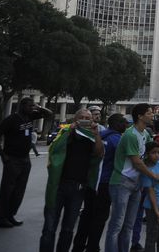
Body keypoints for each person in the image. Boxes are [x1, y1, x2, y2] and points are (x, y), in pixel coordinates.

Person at [40, 108, 104, 252]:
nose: (84, 119)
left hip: (78, 189)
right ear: (75, 119)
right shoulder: (66, 132)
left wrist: (96, 134)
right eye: (81, 117)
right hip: (59, 186)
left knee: (68, 229)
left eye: (87, 118)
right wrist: (70, 131)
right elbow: (55, 149)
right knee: (49, 228)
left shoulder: (92, 135)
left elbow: (99, 153)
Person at [105, 103, 159, 252]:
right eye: (150, 113)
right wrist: (154, 176)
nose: (153, 115)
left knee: (129, 225)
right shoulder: (130, 135)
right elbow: (137, 162)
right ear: (140, 116)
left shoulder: (145, 134)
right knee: (117, 225)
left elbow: (152, 152)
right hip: (122, 182)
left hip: (136, 184)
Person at [72, 113, 127, 252]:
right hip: (105, 183)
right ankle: (93, 247)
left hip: (92, 181)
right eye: (123, 122)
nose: (126, 124)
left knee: (87, 215)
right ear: (116, 124)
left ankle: (78, 246)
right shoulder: (117, 139)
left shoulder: (100, 135)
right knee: (99, 218)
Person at [0, 97, 53, 228]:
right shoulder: (11, 119)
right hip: (12, 159)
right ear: (22, 106)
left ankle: (11, 215)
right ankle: (1, 217)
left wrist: (39, 107)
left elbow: (49, 114)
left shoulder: (30, 117)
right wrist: (3, 155)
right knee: (7, 190)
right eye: (29, 106)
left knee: (19, 190)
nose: (32, 108)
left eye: (33, 106)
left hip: (25, 159)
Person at [141, 143, 159, 252]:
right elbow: (150, 190)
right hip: (152, 207)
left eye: (158, 152)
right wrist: (157, 211)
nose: (157, 155)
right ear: (147, 154)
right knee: (152, 234)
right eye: (153, 153)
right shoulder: (146, 169)